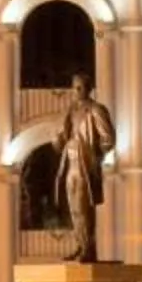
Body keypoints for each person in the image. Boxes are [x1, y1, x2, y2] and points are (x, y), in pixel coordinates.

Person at [54, 77, 116, 262]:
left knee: (83, 207)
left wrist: (96, 156)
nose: (77, 91)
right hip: (70, 162)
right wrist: (59, 140)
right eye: (75, 87)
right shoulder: (71, 111)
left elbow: (108, 138)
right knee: (73, 207)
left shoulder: (96, 109)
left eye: (80, 87)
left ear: (88, 89)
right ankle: (80, 244)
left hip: (84, 163)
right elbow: (61, 136)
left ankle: (88, 248)